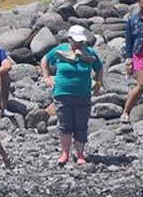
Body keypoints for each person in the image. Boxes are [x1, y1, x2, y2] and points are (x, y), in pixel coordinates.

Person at [40, 25, 103, 167]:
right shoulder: (60, 50)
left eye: (81, 41)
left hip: (83, 94)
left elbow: (99, 67)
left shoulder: (89, 52)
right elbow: (45, 60)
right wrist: (47, 77)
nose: (78, 44)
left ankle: (80, 154)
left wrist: (99, 82)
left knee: (81, 125)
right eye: (76, 41)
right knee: (65, 124)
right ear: (69, 39)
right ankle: (65, 153)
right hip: (63, 93)